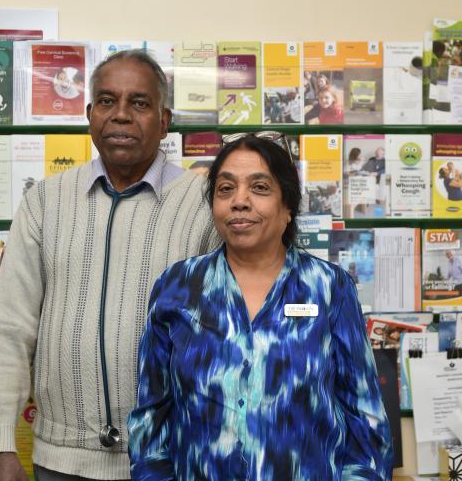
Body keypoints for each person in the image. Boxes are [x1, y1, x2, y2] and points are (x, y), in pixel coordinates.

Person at [0, 50, 220, 481]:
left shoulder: (203, 206)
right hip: (61, 462)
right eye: (107, 102)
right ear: (90, 114)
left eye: (140, 103)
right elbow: (10, 327)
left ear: (164, 122)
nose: (121, 116)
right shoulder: (44, 202)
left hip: (172, 459)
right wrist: (0, 445)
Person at [128, 133, 393, 480]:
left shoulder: (328, 287)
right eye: (225, 189)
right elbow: (151, 416)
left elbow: (365, 416)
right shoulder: (178, 286)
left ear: (288, 208)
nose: (239, 201)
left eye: (260, 188)